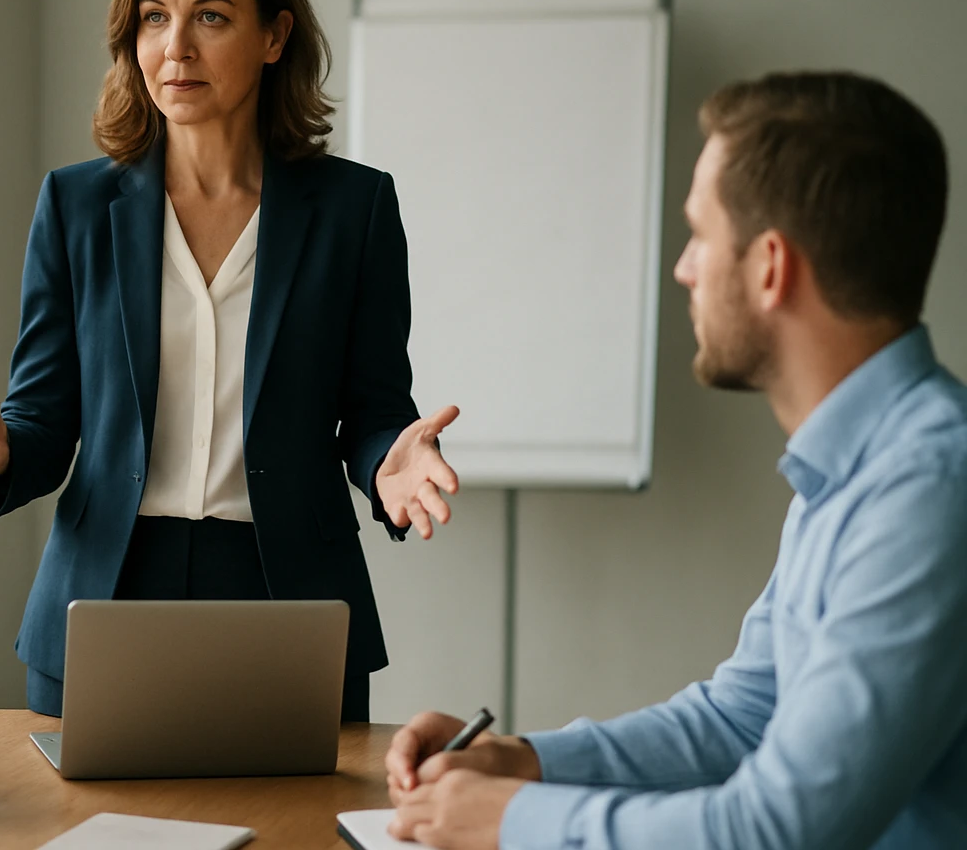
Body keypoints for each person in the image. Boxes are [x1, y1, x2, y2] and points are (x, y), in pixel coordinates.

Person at [0, 0, 461, 721]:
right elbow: (45, 419)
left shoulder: (355, 211)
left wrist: (389, 462)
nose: (176, 48)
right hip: (107, 593)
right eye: (154, 18)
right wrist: (2, 448)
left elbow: (373, 409)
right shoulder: (75, 206)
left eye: (211, 18)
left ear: (275, 37)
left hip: (288, 596)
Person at [383, 71, 967, 849]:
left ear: (769, 265)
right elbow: (742, 716)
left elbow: (777, 830)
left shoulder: (928, 490)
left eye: (699, 234)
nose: (684, 268)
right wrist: (521, 762)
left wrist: (511, 823)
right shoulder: (855, 469)